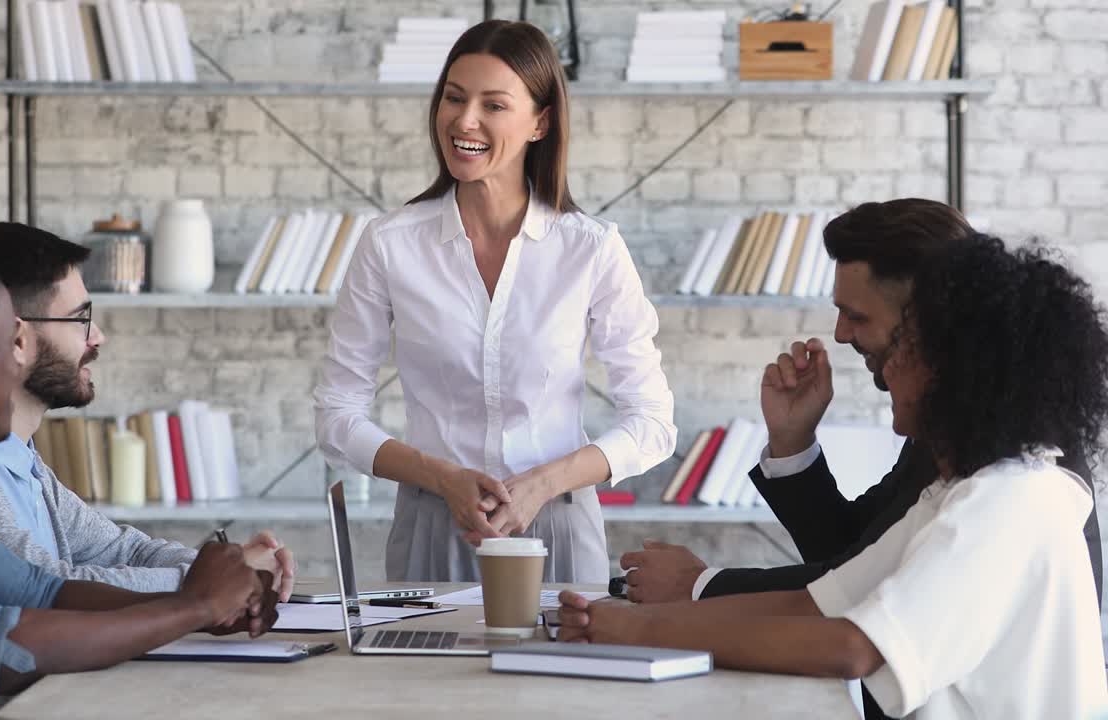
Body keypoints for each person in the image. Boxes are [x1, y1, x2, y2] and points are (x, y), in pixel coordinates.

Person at [559, 235, 1108, 719]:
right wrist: (649, 617)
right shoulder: (961, 489)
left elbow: (852, 646)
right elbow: (819, 600)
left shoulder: (1011, 500)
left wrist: (639, 631)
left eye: (906, 351)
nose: (885, 365)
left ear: (961, 373)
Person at [0, 236, 275, 720]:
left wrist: (196, 606)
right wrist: (194, 608)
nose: (22, 361)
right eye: (12, 344)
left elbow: (42, 591)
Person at [313, 20, 676, 583]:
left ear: (541, 122)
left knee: (557, 674)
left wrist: (541, 484)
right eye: (454, 98)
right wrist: (441, 478)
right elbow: (336, 416)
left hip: (556, 527)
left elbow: (652, 424)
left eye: (494, 104)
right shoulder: (389, 245)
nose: (464, 121)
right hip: (432, 527)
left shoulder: (591, 250)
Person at [619, 200, 1101, 607]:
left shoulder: (1007, 446)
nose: (840, 334)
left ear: (930, 322)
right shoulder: (968, 416)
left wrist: (699, 587)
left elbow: (862, 594)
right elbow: (857, 556)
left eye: (857, 316)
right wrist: (793, 440)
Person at [0, 222, 295, 596]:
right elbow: (47, 587)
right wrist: (211, 582)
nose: (97, 336)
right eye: (81, 319)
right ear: (18, 339)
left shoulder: (20, 459)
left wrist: (231, 563)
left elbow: (120, 549)